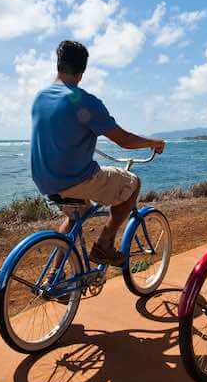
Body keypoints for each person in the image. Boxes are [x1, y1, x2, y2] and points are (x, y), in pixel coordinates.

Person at [30, 40, 165, 265]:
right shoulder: (84, 101)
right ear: (83, 71)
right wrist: (154, 142)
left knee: (78, 214)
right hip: (75, 180)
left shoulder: (40, 98)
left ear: (58, 65)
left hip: (45, 179)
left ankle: (54, 277)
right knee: (132, 183)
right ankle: (104, 245)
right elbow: (124, 140)